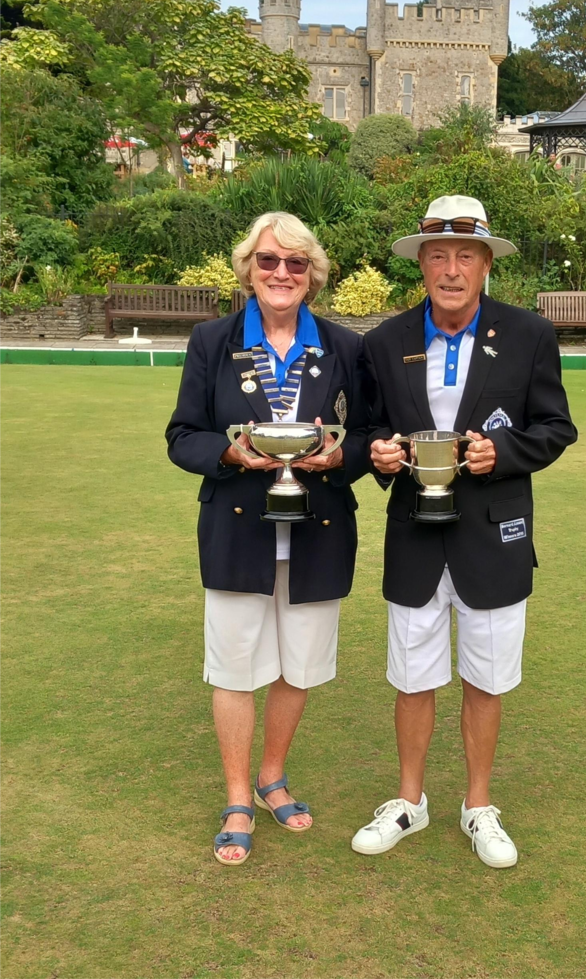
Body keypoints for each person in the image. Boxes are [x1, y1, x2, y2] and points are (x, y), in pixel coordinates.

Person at [351, 194, 577, 868]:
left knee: (485, 678)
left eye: (467, 257)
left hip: (494, 531)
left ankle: (478, 806)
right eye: (439, 256)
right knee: (413, 677)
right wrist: (379, 454)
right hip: (414, 532)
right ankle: (409, 802)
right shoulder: (383, 343)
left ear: (486, 264)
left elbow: (555, 428)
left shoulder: (531, 334)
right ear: (420, 264)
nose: (453, 270)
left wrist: (499, 456)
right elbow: (364, 429)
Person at [166, 211, 369, 865]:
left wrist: (340, 458)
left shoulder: (345, 348)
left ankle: (271, 776)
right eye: (268, 261)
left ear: (313, 274)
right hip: (236, 528)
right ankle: (235, 796)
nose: (281, 273)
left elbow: (370, 436)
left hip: (319, 530)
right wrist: (232, 457)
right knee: (233, 667)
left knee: (298, 666)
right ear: (248, 269)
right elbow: (183, 435)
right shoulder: (211, 340)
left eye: (296, 263)